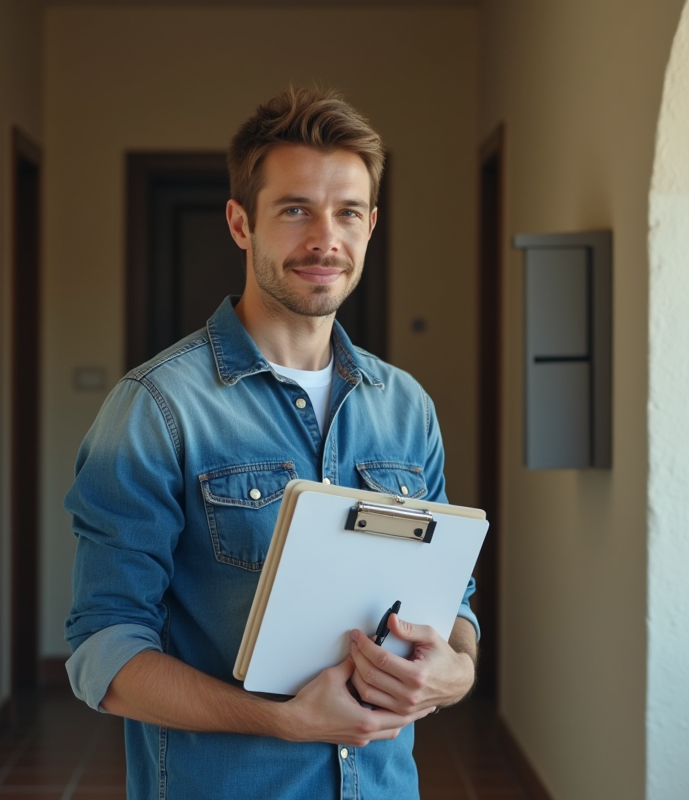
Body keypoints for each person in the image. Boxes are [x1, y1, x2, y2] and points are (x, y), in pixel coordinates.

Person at [64, 86, 479, 800]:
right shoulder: (156, 408)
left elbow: (453, 603)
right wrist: (281, 721)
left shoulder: (407, 407)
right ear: (239, 222)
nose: (325, 239)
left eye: (347, 212)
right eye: (295, 210)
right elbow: (104, 652)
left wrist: (457, 671)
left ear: (371, 225)